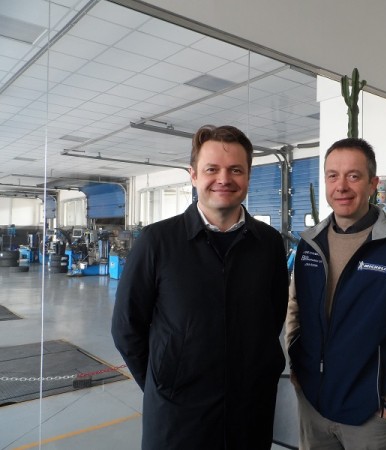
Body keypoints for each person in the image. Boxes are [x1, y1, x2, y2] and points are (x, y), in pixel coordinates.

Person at [111, 125, 289, 450]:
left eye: (236, 170)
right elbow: (126, 328)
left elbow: (272, 316)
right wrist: (163, 383)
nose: (224, 179)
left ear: (248, 176)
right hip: (177, 419)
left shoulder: (269, 243)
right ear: (193, 175)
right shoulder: (157, 241)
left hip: (250, 413)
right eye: (212, 169)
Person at [286, 137, 386, 450]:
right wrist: (296, 367)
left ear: (373, 184)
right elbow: (295, 308)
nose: (341, 186)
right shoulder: (309, 244)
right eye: (333, 175)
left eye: (353, 176)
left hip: (371, 412)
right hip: (313, 403)